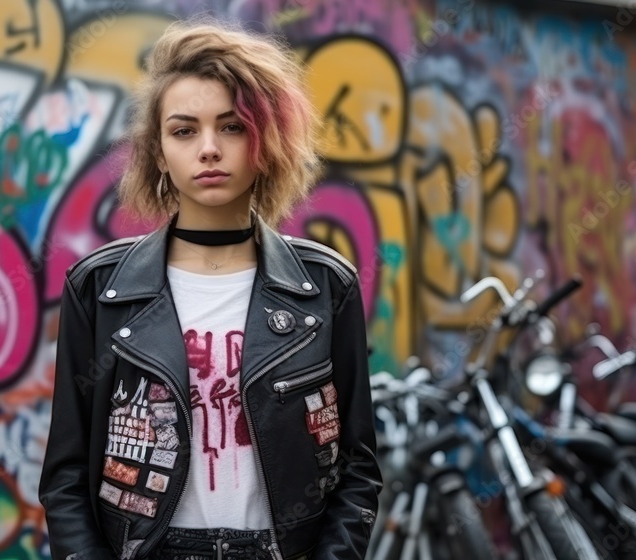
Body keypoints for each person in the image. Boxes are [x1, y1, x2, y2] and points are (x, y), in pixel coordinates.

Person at [39, 18, 381, 560]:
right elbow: (65, 478)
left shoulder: (323, 288)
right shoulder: (102, 290)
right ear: (158, 151)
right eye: (183, 130)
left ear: (264, 138)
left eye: (232, 127)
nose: (208, 149)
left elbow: (357, 469)